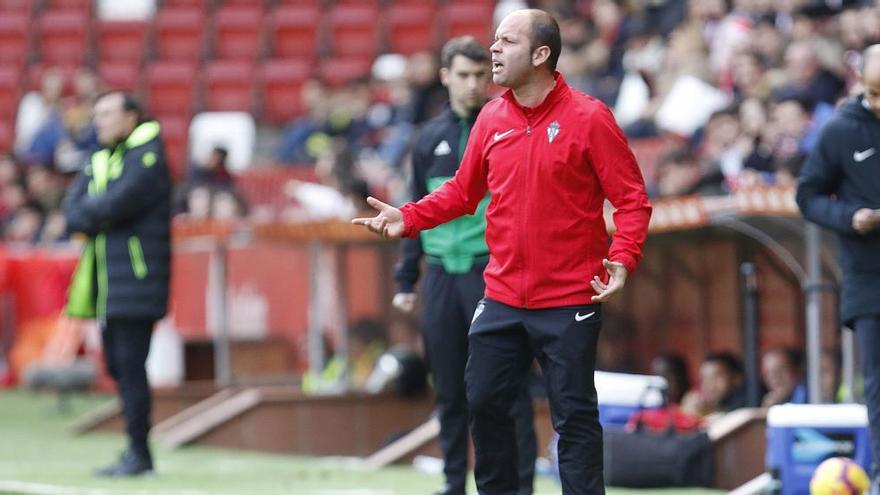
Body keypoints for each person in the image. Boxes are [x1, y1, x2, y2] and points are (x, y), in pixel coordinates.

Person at [354, 9, 652, 494]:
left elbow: (633, 202)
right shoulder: (491, 118)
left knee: (573, 418)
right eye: (495, 40)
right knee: (483, 403)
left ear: (540, 55)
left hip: (570, 299)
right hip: (502, 298)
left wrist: (622, 259)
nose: (493, 49)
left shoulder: (591, 118)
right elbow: (461, 194)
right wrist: (407, 218)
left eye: (507, 41)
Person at [392, 36, 537, 495]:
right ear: (445, 78)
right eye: (464, 75)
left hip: (489, 274)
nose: (473, 85)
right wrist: (406, 277)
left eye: (480, 75)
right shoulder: (426, 140)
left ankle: (522, 486)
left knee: (506, 389)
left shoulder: (506, 129)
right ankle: (454, 483)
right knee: (450, 389)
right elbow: (414, 210)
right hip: (439, 276)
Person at [62, 91, 171, 477]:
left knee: (130, 365)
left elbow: (115, 205)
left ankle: (140, 454)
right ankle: (135, 451)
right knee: (118, 366)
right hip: (109, 283)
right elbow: (72, 212)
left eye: (108, 113)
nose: (100, 121)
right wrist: (95, 213)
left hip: (138, 280)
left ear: (132, 116)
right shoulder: (102, 160)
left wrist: (95, 213)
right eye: (97, 115)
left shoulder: (148, 156)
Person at [796, 44, 880, 494]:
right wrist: (850, 218)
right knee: (878, 380)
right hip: (869, 276)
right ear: (860, 85)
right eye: (874, 92)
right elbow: (807, 195)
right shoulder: (840, 132)